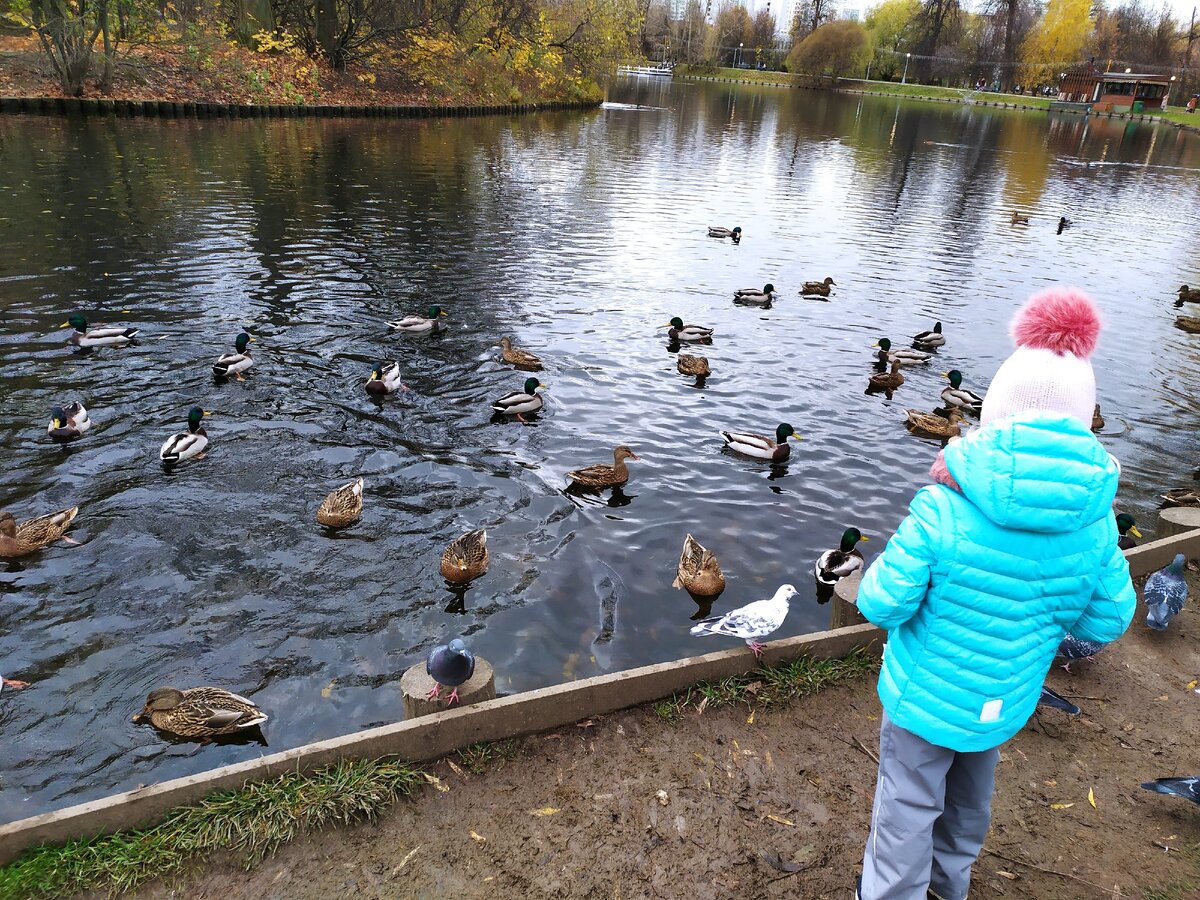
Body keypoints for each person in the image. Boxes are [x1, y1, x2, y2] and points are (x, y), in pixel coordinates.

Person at [854, 287, 1137, 900]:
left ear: (995, 416)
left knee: (906, 806)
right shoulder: (1096, 525)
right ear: (1082, 423)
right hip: (1004, 699)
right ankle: (947, 888)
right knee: (969, 803)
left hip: (923, 698)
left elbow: (881, 603)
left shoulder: (942, 508)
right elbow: (1108, 620)